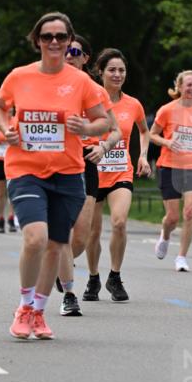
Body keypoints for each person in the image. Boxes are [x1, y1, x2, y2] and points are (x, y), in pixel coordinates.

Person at [0, 12, 108, 340]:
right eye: (47, 37)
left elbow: (104, 122)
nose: (54, 42)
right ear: (37, 41)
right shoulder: (19, 77)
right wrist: (5, 130)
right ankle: (24, 306)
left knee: (57, 245)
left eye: (60, 36)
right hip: (25, 169)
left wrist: (86, 127)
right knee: (36, 238)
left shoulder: (81, 82)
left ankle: (40, 312)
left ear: (70, 41)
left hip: (68, 173)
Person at [56, 36, 121, 317]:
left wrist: (103, 146)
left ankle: (60, 266)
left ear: (85, 58)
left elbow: (115, 130)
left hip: (85, 162)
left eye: (75, 52)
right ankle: (69, 294)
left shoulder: (94, 91)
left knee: (81, 237)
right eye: (66, 51)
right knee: (59, 232)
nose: (69, 56)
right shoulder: (49, 84)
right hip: (54, 162)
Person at [84, 49, 151, 302]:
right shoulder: (90, 101)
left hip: (121, 170)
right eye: (112, 69)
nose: (117, 74)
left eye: (121, 70)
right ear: (100, 72)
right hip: (93, 170)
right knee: (92, 231)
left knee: (119, 222)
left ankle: (114, 275)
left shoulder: (133, 104)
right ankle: (93, 277)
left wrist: (143, 155)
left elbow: (144, 131)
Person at [149, 70, 192, 272]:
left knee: (190, 211)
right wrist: (167, 141)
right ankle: (165, 235)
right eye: (189, 85)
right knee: (173, 217)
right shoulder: (167, 110)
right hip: (169, 166)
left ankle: (181, 257)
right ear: (180, 87)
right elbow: (152, 135)